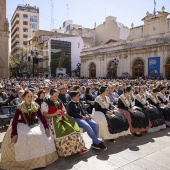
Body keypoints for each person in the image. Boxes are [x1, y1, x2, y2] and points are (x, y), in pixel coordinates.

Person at [1, 90, 58, 170]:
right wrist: (14, 133)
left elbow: (41, 117)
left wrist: (46, 127)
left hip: (33, 124)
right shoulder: (20, 107)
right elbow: (15, 121)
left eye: (31, 96)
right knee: (23, 139)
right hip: (22, 125)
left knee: (42, 135)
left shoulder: (35, 105)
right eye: (28, 96)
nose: (30, 98)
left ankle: (39, 160)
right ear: (24, 97)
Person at [41, 88, 88, 157]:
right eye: (55, 96)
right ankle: (66, 151)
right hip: (51, 119)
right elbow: (45, 115)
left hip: (60, 117)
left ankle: (78, 148)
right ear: (50, 95)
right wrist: (54, 114)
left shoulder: (59, 101)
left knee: (73, 127)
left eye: (57, 96)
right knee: (61, 130)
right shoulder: (45, 103)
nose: (56, 97)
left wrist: (63, 113)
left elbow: (65, 111)